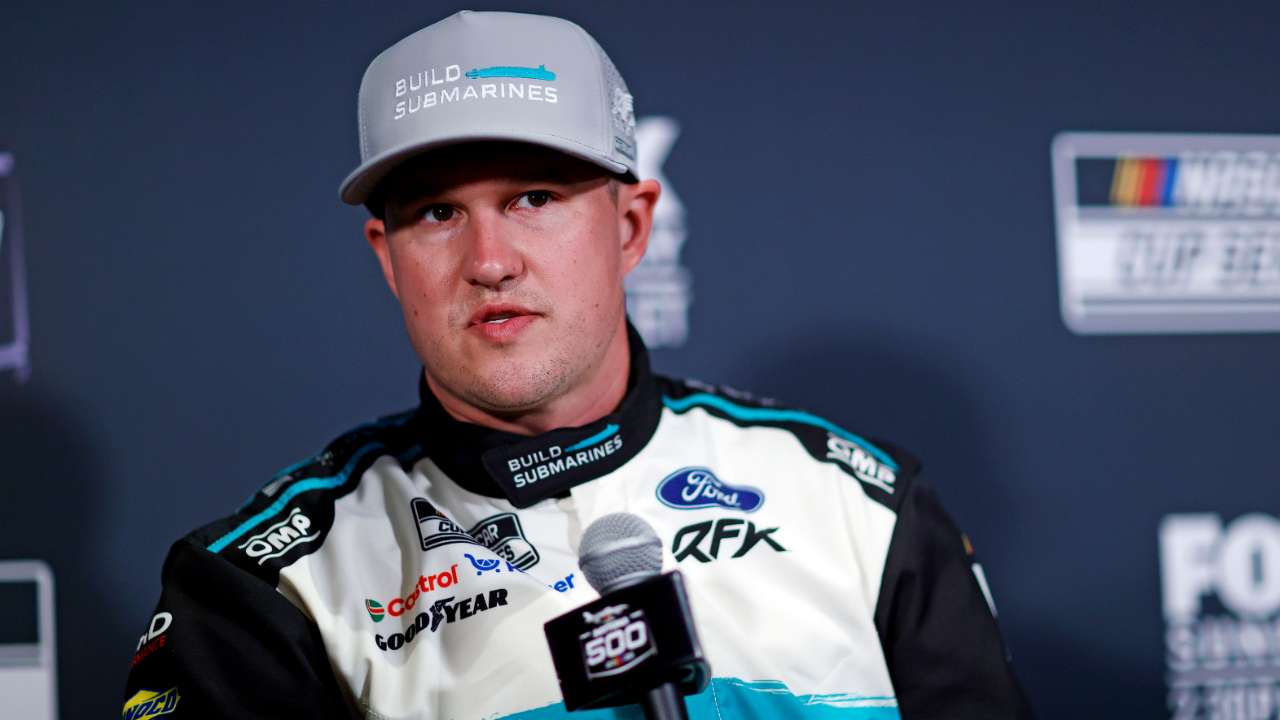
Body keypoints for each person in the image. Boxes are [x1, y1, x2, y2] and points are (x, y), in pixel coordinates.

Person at [123, 10, 1034, 720]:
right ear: (385, 255)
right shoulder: (265, 584)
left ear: (632, 226)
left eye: (534, 196)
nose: (490, 259)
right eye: (438, 213)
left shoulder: (860, 506)